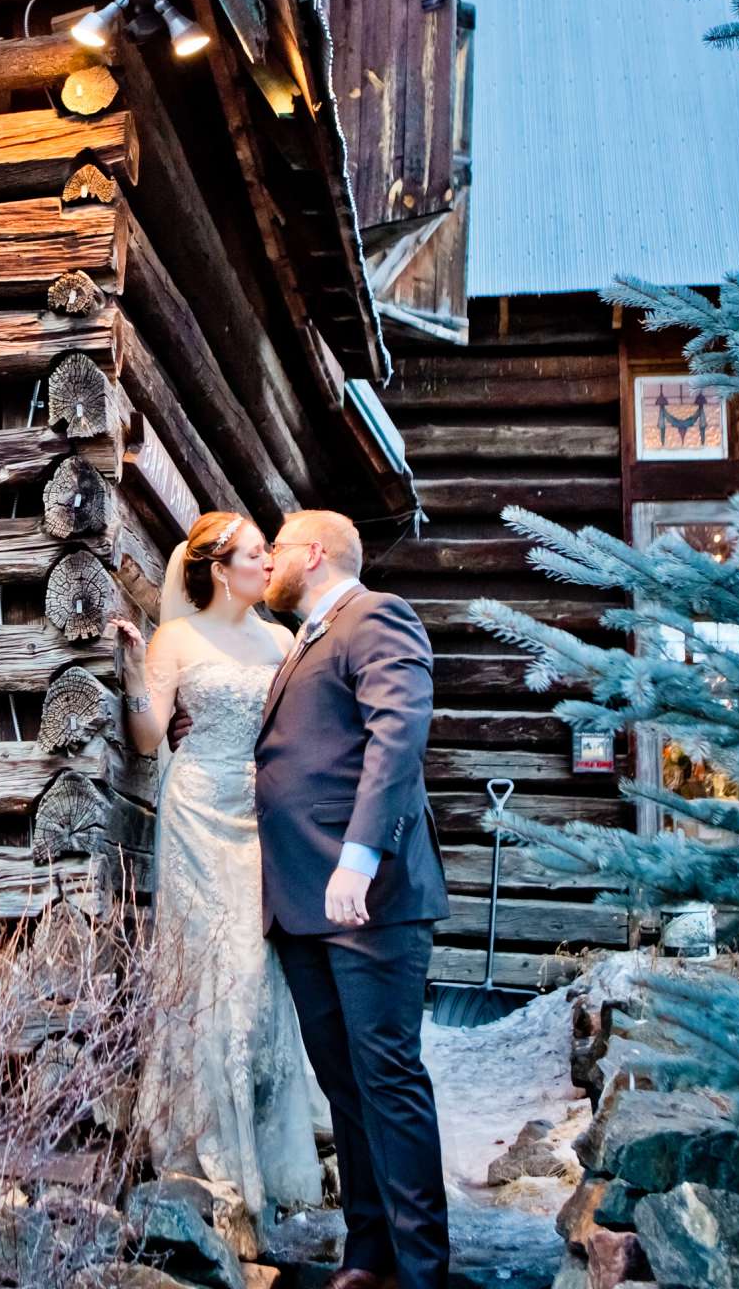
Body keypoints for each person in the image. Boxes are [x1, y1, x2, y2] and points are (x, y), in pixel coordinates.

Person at [253, 509, 450, 1289]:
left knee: (389, 1078)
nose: (267, 563)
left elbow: (398, 735)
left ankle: (423, 1269)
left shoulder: (376, 615)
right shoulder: (304, 642)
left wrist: (359, 859)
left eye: (275, 550)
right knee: (346, 1084)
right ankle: (369, 1253)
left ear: (313, 553)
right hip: (303, 903)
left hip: (366, 894)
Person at [109, 510, 323, 1222]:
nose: (270, 563)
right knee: (211, 966)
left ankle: (262, 1145)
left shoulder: (281, 640)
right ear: (220, 570)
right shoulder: (177, 636)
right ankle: (204, 1147)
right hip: (198, 810)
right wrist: (136, 672)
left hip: (260, 815)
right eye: (258, 554)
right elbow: (146, 738)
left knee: (260, 971)